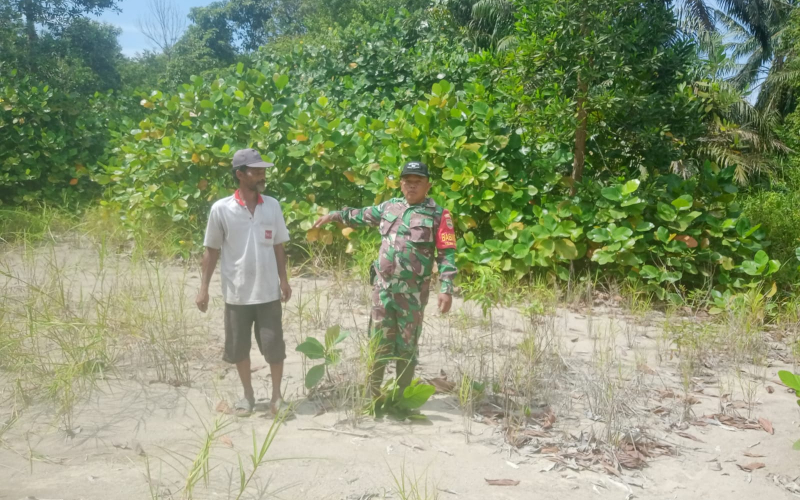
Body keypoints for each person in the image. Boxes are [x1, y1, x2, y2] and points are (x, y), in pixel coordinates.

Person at [312, 161, 457, 398]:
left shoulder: (439, 215)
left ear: (428, 186)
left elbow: (446, 253)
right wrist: (335, 215)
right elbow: (359, 215)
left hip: (412, 294)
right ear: (401, 184)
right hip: (383, 290)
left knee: (407, 345)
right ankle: (372, 395)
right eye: (407, 181)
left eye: (418, 182)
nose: (412, 186)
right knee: (378, 342)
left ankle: (402, 398)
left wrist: (446, 287)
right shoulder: (389, 207)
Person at [196, 148, 292, 415]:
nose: (262, 175)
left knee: (274, 348)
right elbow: (211, 251)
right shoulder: (221, 209)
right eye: (256, 171)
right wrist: (203, 289)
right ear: (240, 174)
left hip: (268, 292)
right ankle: (248, 397)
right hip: (236, 293)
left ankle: (276, 398)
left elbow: (279, 246)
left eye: (263, 171)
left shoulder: (272, 205)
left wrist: (284, 281)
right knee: (239, 348)